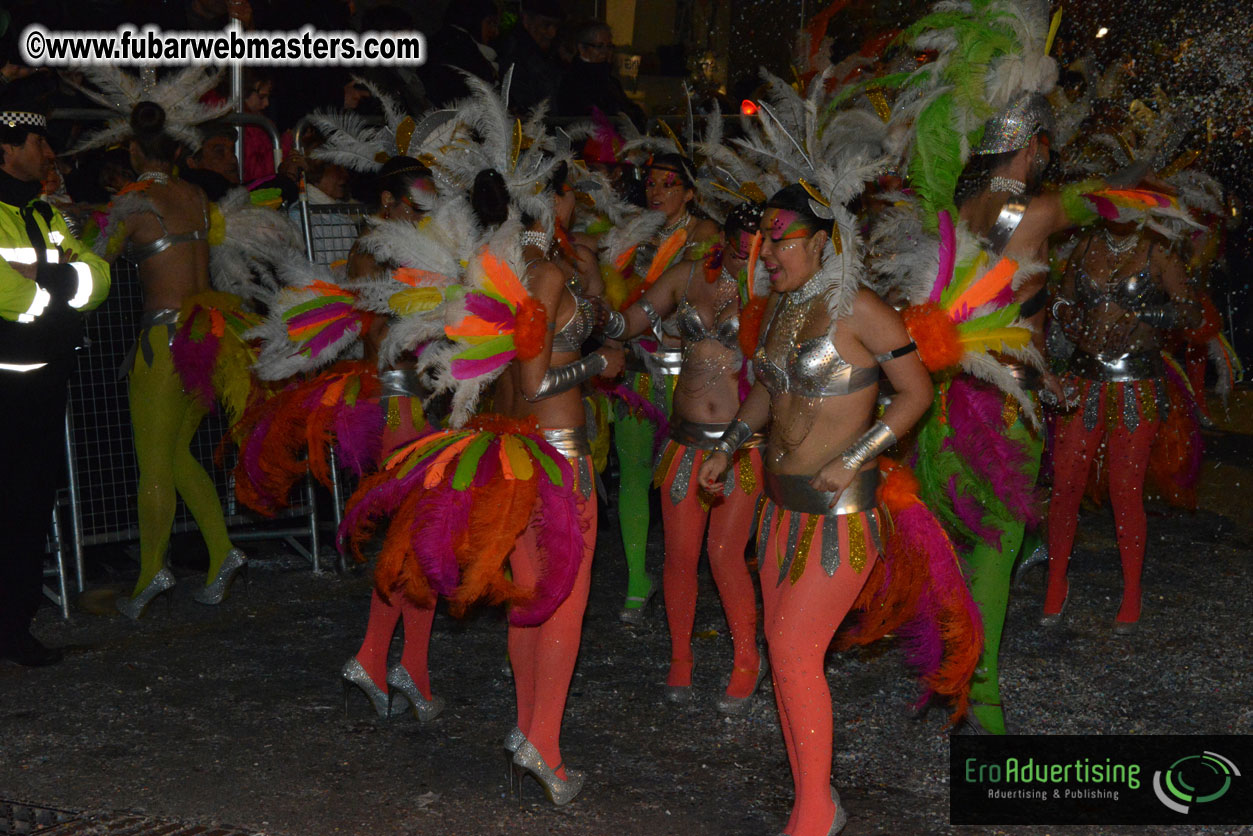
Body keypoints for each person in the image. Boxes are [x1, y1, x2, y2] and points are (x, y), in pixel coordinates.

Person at [698, 185, 933, 836]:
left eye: (781, 241)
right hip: (780, 511)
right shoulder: (782, 304)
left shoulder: (861, 309)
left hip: (839, 518)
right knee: (785, 654)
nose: (766, 254)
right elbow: (767, 393)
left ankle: (813, 814)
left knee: (794, 650)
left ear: (822, 243)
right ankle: (814, 796)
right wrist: (728, 445)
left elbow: (917, 393)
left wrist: (856, 456)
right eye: (764, 241)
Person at [605, 201, 765, 711]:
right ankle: (680, 656)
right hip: (685, 443)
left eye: (755, 247)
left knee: (724, 554)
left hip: (740, 448)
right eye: (737, 244)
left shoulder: (771, 287)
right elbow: (628, 323)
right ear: (724, 237)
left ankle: (747, 659)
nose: (744, 254)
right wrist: (586, 306)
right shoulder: (689, 274)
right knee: (678, 555)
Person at [106, 101, 248, 619]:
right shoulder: (195, 196)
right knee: (178, 454)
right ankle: (222, 550)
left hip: (163, 342)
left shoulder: (134, 201)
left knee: (153, 464)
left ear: (132, 149)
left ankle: (151, 573)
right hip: (207, 335)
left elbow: (101, 254)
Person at [0, 78, 110, 665]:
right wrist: (61, 288)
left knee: (29, 508)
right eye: (36, 141)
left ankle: (13, 629)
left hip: (44, 385)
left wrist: (51, 283)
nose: (48, 151)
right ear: (5, 149)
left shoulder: (44, 213)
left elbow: (99, 278)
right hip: (6, 386)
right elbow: (9, 297)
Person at [1044, 222, 1199, 632]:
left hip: (1137, 384)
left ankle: (1132, 592)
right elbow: (1060, 298)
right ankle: (1055, 582)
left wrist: (1144, 316)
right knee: (1065, 485)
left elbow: (1191, 312)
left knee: (1125, 491)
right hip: (1082, 379)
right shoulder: (1086, 244)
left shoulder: (1158, 250)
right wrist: (1067, 315)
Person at [339, 157, 446, 721]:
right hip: (399, 404)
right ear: (388, 201)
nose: (423, 213)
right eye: (414, 203)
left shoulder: (393, 246)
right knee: (418, 537)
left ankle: (393, 662)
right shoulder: (382, 249)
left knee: (416, 538)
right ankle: (389, 659)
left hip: (404, 402)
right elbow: (384, 331)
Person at [613, 152, 719, 623]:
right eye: (652, 183)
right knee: (634, 474)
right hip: (638, 370)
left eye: (668, 184)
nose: (656, 192)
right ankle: (637, 579)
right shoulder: (633, 234)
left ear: (690, 192)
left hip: (687, 378)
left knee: (689, 481)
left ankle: (691, 577)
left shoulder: (707, 236)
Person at [555, 22, 644, 128]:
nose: (605, 52)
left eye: (609, 46)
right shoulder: (573, 81)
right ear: (582, 49)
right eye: (599, 46)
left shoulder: (611, 81)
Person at [420, 0, 500, 107]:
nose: (495, 32)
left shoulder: (436, 43)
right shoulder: (466, 53)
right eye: (490, 23)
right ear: (474, 20)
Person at [496, 0, 565, 114]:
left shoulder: (551, 53)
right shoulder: (512, 52)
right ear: (526, 19)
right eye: (546, 25)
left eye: (556, 26)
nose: (552, 33)